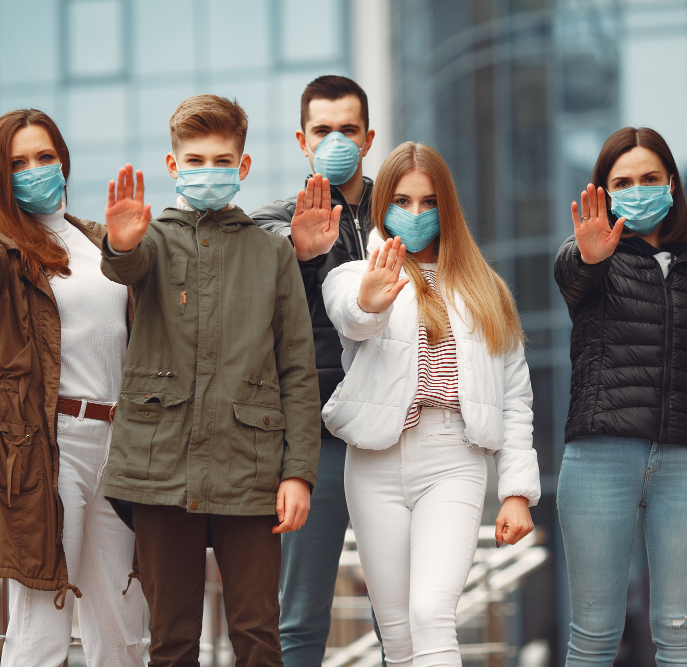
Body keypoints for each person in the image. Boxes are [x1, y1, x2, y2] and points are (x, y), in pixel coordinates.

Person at [98, 94, 322, 667]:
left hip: (250, 469)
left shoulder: (271, 254)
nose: (207, 172)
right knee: (171, 645)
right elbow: (126, 264)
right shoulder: (151, 240)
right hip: (159, 466)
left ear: (243, 167)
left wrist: (298, 473)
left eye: (220, 160)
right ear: (173, 167)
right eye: (193, 161)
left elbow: (297, 368)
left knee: (257, 640)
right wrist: (120, 242)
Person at [0, 109, 145, 667]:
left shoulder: (96, 241)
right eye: (18, 162)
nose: (35, 169)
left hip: (119, 446)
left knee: (123, 623)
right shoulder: (2, 245)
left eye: (45, 156)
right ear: (1, 177)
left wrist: (128, 248)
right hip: (47, 447)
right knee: (42, 623)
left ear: (63, 161)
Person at [321, 141, 541, 667]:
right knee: (397, 638)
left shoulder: (487, 289)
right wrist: (373, 299)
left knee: (431, 615)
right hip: (374, 462)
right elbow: (353, 315)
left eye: (428, 201)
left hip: (454, 459)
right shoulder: (355, 275)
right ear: (382, 207)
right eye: (402, 200)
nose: (416, 214)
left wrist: (517, 492)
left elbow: (515, 395)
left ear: (447, 207)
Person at [554, 126, 687, 666]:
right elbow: (571, 280)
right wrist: (591, 257)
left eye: (649, 178)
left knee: (682, 632)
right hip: (599, 458)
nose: (638, 190)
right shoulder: (590, 261)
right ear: (603, 191)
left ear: (671, 185)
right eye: (623, 182)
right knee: (594, 631)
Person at [250, 74, 378, 666]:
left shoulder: (407, 211)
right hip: (314, 440)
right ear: (302, 140)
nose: (336, 140)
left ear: (369, 137)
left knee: (405, 613)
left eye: (347, 129)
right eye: (323, 130)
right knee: (299, 619)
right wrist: (300, 254)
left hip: (396, 436)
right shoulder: (273, 221)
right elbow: (258, 312)